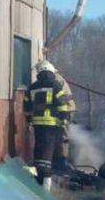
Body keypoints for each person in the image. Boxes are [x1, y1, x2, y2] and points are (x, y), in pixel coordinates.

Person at [24, 60, 76, 190]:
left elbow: (27, 106)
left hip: (37, 124)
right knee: (51, 149)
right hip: (52, 124)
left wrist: (29, 120)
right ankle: (49, 178)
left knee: (40, 149)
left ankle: (41, 174)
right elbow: (62, 105)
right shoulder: (55, 84)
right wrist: (63, 120)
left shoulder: (32, 87)